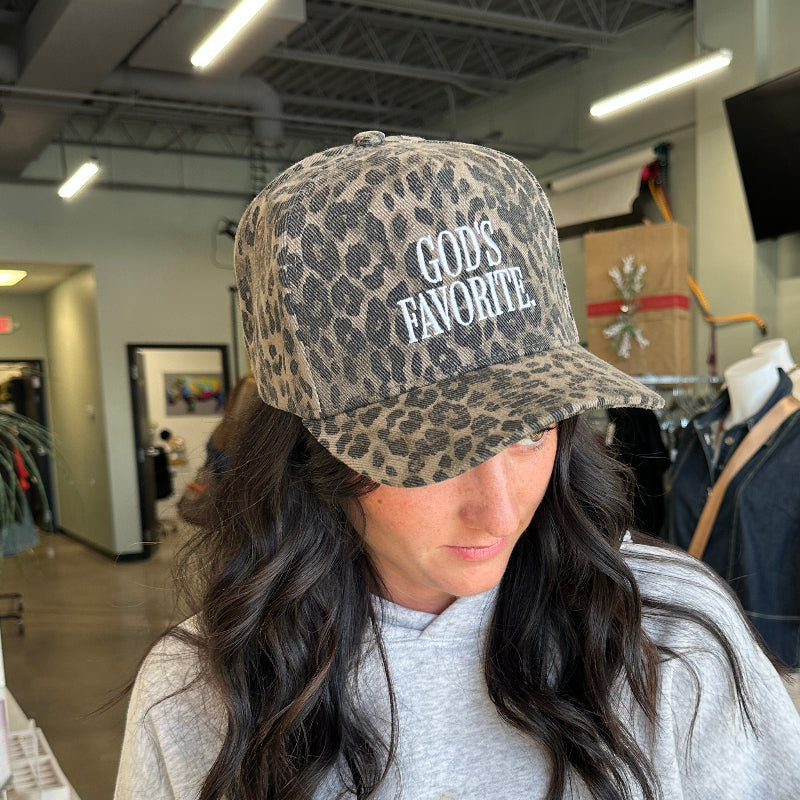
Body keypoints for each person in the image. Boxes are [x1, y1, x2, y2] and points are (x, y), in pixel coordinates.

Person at [115, 132, 800, 800]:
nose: (501, 510)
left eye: (533, 431)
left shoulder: (671, 635)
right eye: (433, 452)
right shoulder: (198, 696)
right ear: (306, 454)